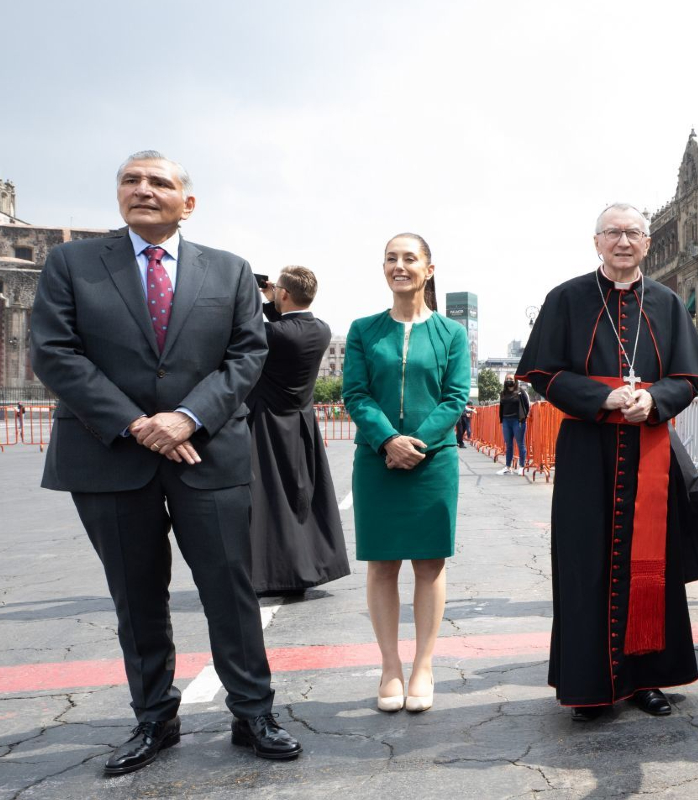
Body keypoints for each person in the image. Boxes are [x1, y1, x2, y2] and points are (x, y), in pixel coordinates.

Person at [29, 150, 301, 775]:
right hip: (108, 454)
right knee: (135, 592)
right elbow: (54, 351)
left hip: (207, 450)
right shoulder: (71, 264)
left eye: (159, 182)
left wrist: (186, 417)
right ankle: (154, 717)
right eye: (130, 180)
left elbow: (246, 354)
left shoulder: (229, 271)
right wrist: (134, 423)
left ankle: (253, 711)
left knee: (230, 589)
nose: (142, 190)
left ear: (188, 202)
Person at [516, 202, 698, 721]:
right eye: (613, 232)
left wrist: (655, 400)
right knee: (586, 563)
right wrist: (602, 398)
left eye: (634, 233)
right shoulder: (565, 298)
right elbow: (543, 375)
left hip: (649, 446)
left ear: (648, 243)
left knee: (650, 562)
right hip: (588, 450)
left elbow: (688, 379)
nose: (624, 241)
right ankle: (589, 685)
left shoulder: (668, 302)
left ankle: (648, 680)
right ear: (597, 242)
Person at [343, 233, 470, 714]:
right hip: (376, 460)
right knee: (382, 564)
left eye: (409, 258)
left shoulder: (450, 335)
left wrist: (416, 441)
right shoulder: (363, 330)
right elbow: (355, 394)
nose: (400, 266)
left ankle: (423, 665)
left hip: (433, 461)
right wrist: (387, 440)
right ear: (384, 269)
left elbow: (456, 397)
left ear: (428, 269)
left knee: (430, 564)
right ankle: (389, 666)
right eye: (391, 259)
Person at [246, 266, 350, 596]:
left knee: (268, 501)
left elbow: (246, 328)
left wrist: (257, 298)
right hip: (301, 421)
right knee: (302, 498)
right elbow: (286, 322)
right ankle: (309, 568)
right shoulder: (321, 329)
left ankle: (273, 574)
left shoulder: (271, 334)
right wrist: (273, 296)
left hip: (267, 423)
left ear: (285, 294)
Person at [497, 375, 530, 474]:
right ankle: (508, 467)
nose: (509, 381)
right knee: (509, 445)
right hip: (506, 420)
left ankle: (521, 466)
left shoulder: (520, 392)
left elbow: (527, 405)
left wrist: (523, 417)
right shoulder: (503, 393)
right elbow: (502, 406)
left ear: (515, 381)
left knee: (520, 444)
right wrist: (502, 419)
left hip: (518, 420)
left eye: (511, 379)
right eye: (507, 379)